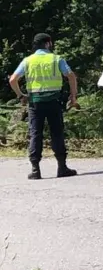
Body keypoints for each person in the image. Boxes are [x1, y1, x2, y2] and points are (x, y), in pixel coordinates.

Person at [8, 33, 78, 180]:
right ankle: (62, 167)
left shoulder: (28, 61)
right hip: (54, 101)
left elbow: (13, 79)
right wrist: (73, 96)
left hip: (35, 103)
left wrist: (21, 96)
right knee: (57, 133)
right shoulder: (56, 59)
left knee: (35, 134)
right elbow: (70, 75)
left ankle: (35, 170)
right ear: (48, 44)